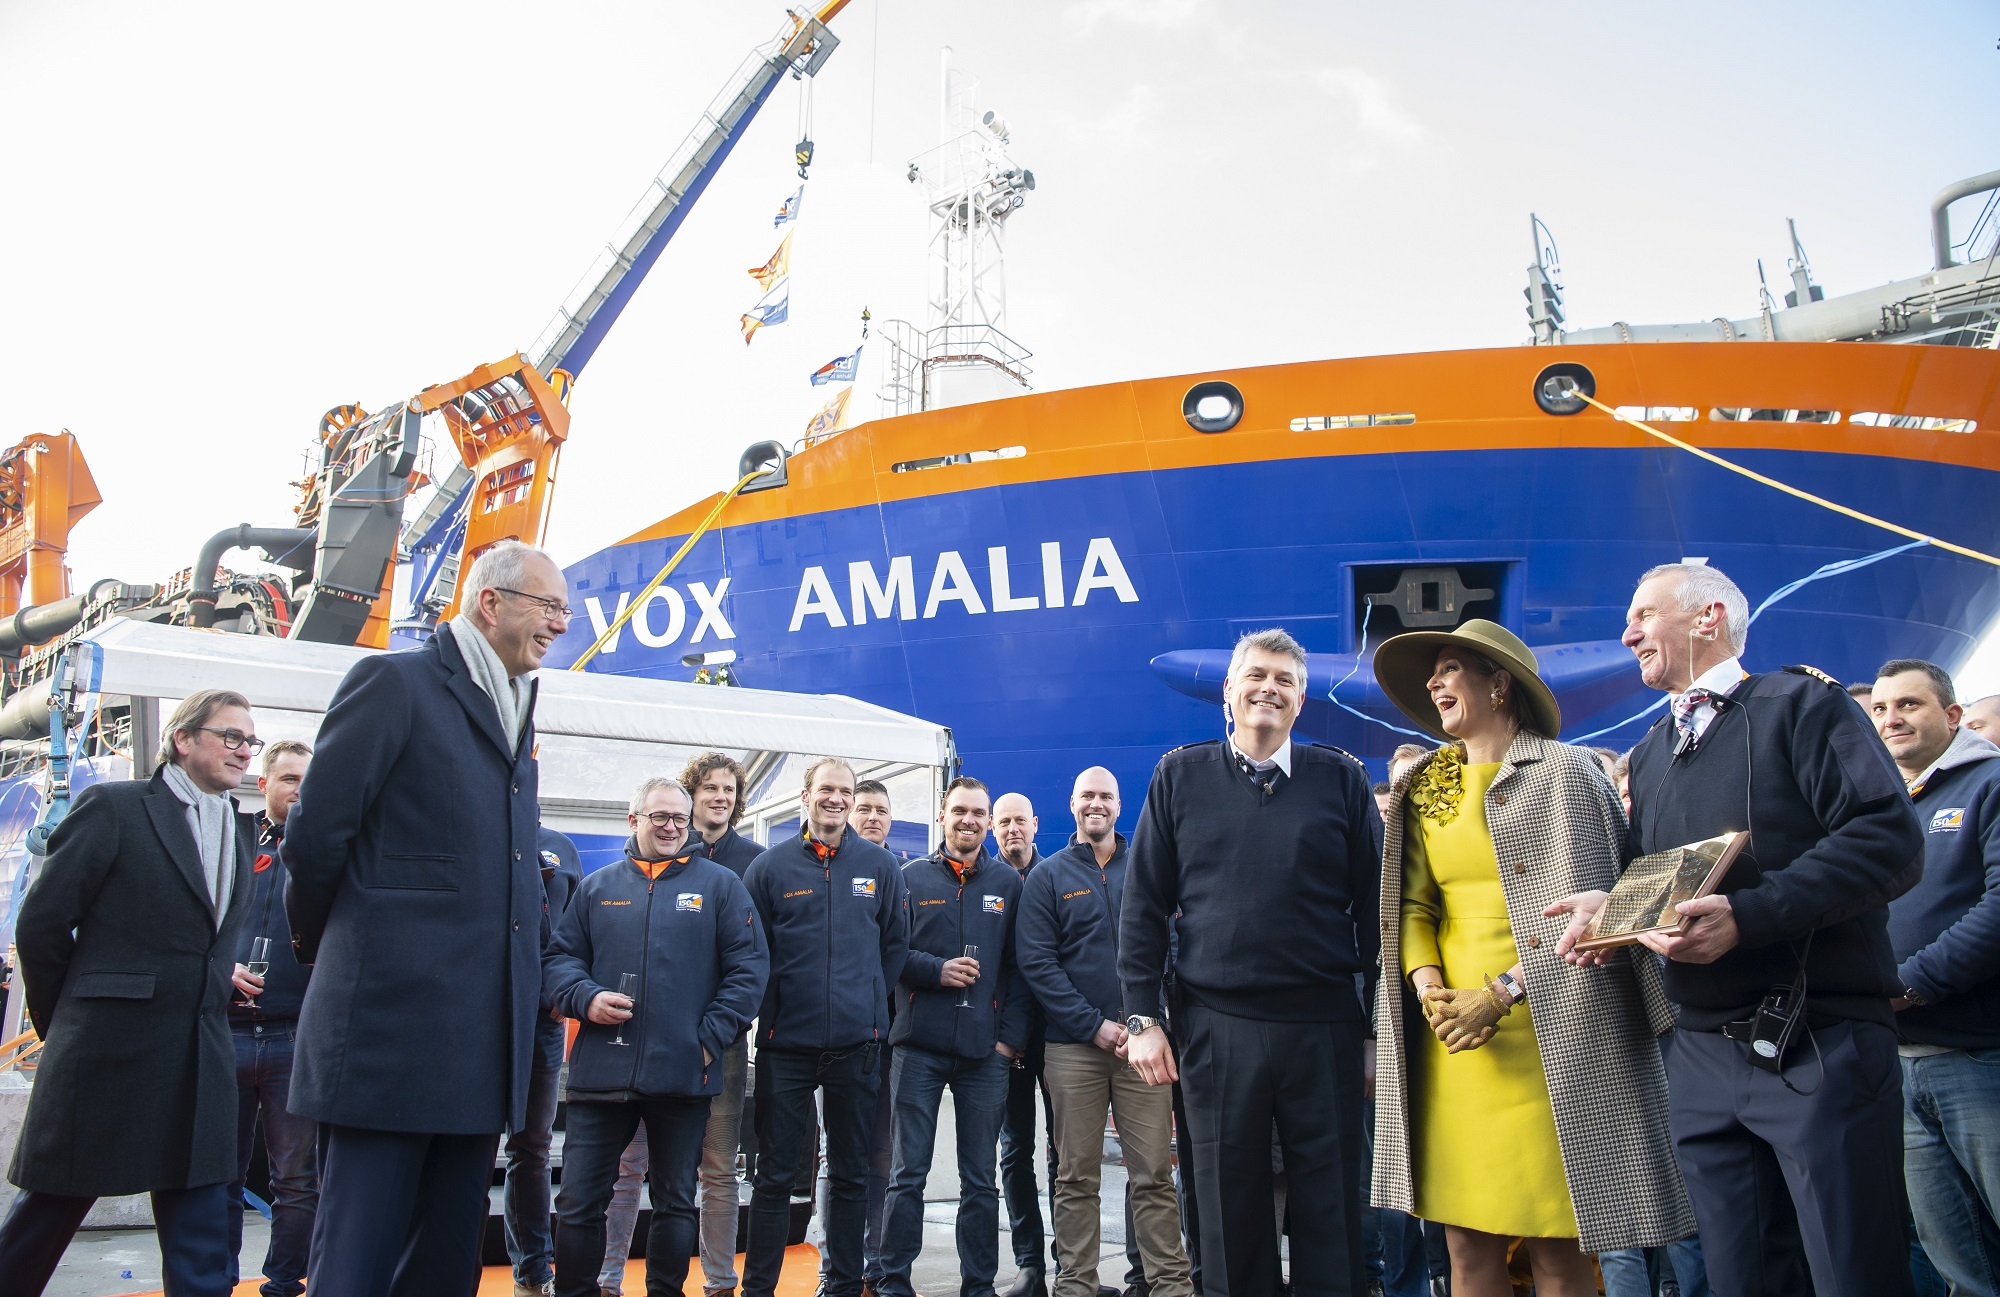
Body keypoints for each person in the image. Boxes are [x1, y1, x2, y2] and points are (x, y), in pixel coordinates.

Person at [1554, 562, 1924, 1297]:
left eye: (1643, 615)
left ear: (1708, 617)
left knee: (1854, 1272)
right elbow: (1664, 879)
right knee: (1739, 1277)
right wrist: (1613, 910)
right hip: (1701, 1054)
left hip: (1818, 1037)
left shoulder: (1802, 705)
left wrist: (1749, 918)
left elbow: (1888, 840)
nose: (1626, 635)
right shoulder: (1652, 753)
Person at [1368, 619, 1691, 1297]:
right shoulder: (1423, 782)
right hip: (1451, 1043)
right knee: (1464, 1243)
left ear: (1499, 684)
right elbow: (1412, 907)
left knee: (1557, 1244)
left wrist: (1501, 993)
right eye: (1433, 672)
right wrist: (1430, 991)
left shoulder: (1571, 771)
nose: (1433, 682)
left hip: (1555, 1034)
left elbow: (1604, 912)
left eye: (1450, 667)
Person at [285, 540, 562, 1296]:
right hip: (388, 1037)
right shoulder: (393, 682)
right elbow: (316, 839)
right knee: (356, 1263)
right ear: (491, 602)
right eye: (549, 605)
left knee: (444, 1266)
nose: (561, 623)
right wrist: (346, 955)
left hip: (476, 1050)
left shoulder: (517, 706)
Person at [1119, 627, 1382, 1296]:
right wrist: (1142, 1018)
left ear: (1301, 700)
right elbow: (1143, 906)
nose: (1270, 688)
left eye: (1285, 680)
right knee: (1225, 1208)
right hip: (1217, 1025)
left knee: (1332, 1207)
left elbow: (1379, 913)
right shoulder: (1178, 777)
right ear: (1229, 691)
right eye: (1257, 676)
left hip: (1324, 1026)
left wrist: (1376, 1031)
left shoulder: (1342, 778)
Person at [0, 689, 260, 1294]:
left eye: (250, 740)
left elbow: (201, 939)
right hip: (109, 1052)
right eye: (231, 736)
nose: (245, 750)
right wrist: (69, 1022)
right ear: (183, 739)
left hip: (201, 1057)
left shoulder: (239, 828)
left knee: (200, 1237)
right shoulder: (116, 807)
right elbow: (41, 925)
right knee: (47, 1216)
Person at [545, 777, 768, 1297]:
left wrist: (706, 1040)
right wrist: (585, 998)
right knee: (578, 1202)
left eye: (679, 819)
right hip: (601, 1075)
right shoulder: (598, 887)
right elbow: (559, 960)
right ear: (634, 820)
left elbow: (749, 969)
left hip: (683, 1073)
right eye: (659, 817)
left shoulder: (720, 887)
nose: (671, 828)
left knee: (674, 1201)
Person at [1017, 766, 1193, 1297]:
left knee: (1154, 1175)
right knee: (1075, 1176)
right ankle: (1076, 1286)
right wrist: (1093, 1026)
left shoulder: (1147, 868)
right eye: (1087, 796)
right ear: (1072, 804)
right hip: (1074, 1050)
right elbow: (1038, 962)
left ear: (1120, 806)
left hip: (1147, 1047)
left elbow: (1173, 948)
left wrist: (1150, 1022)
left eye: (1106, 797)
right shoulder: (1048, 877)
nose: (1097, 804)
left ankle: (1170, 1286)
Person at [740, 757, 910, 1297]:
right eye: (826, 789)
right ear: (805, 796)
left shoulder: (880, 867)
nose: (836, 798)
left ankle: (841, 1284)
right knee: (774, 1176)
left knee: (850, 1174)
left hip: (857, 1048)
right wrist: (773, 1013)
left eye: (844, 790)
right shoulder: (768, 869)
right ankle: (759, 1288)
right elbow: (752, 953)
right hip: (784, 1048)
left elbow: (894, 946)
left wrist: (867, 1004)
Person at [1871, 659, 2000, 1296]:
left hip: (1981, 1060)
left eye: (1909, 705)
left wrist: (1910, 985)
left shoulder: (1990, 784)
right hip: (1901, 1063)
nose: (1891, 719)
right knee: (1959, 1266)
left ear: (1952, 716)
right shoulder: (1879, 805)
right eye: (1881, 708)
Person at [875, 777, 1031, 1297]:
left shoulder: (1008, 884)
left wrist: (1007, 1042)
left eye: (978, 813)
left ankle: (978, 1286)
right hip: (917, 1048)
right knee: (907, 1174)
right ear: (942, 815)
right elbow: (890, 953)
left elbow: (1020, 969)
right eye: (960, 810)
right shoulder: (909, 878)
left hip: (985, 1055)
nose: (969, 820)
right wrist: (936, 970)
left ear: (987, 821)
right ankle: (894, 1283)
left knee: (981, 1179)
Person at [227, 739, 318, 1297]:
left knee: (297, 1179)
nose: (301, 790)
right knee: (220, 1174)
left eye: (309, 780)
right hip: (226, 1031)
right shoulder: (230, 838)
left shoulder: (326, 850)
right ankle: (213, 1280)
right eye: (289, 779)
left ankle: (284, 1284)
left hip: (294, 1035)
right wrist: (219, 969)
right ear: (263, 784)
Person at [504, 825, 584, 1297]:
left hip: (542, 1021)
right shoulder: (477, 831)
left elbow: (579, 933)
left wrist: (562, 990)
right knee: (467, 1144)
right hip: (480, 1019)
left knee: (532, 1147)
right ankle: (452, 1267)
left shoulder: (562, 847)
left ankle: (534, 1273)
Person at [993, 791, 1057, 1297]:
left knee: (1066, 1153)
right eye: (1004, 822)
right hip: (1006, 1044)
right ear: (994, 829)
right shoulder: (986, 882)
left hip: (1060, 1038)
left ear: (1035, 824)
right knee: (1015, 1152)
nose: (1013, 829)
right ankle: (1030, 1265)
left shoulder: (1057, 876)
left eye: (1021, 820)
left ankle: (1071, 1262)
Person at [848, 777, 900, 1292]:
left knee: (882, 1153)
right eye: (863, 808)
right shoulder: (834, 872)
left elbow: (902, 951)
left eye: (881, 811)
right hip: (836, 1037)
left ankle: (876, 1265)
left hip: (886, 1037)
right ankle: (835, 1266)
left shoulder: (901, 875)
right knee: (837, 1156)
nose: (872, 818)